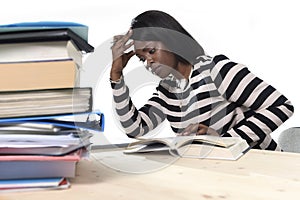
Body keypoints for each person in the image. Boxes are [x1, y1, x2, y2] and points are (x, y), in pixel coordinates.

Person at [110, 10, 294, 151]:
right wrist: (117, 75)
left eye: (151, 51)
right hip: (219, 171)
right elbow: (135, 129)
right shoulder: (167, 91)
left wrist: (224, 141)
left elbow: (281, 106)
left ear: (171, 40)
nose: (148, 62)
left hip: (261, 165)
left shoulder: (216, 71)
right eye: (142, 59)